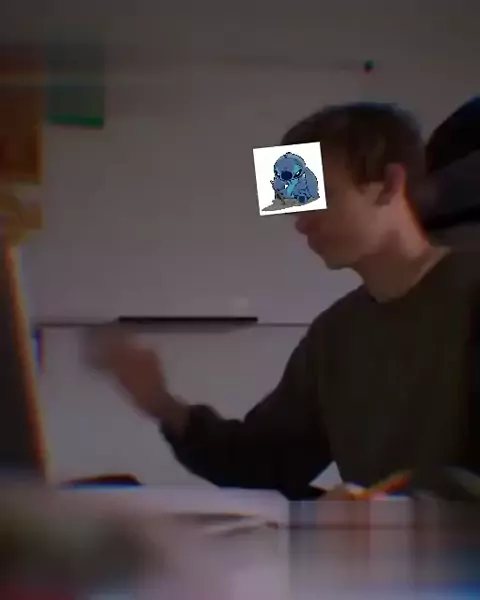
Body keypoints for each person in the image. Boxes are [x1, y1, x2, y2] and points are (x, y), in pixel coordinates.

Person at [89, 103, 480, 500]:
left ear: (390, 184)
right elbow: (267, 460)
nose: (302, 223)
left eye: (320, 195)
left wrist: (380, 508)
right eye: (296, 204)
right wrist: (161, 403)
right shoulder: (335, 334)